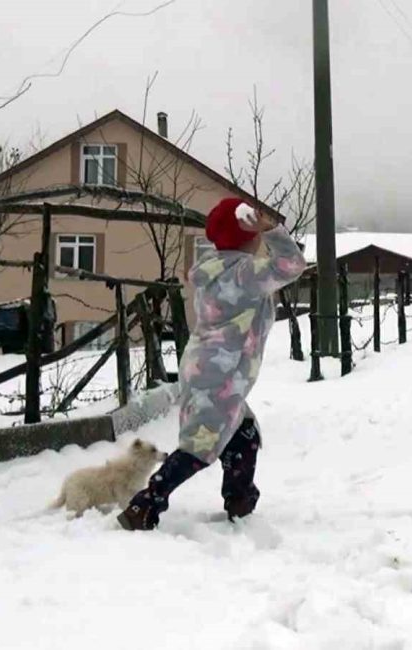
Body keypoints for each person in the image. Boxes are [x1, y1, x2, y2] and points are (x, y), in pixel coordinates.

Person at [118, 197, 306, 531]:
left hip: (209, 367)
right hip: (221, 373)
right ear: (245, 233)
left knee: (243, 433)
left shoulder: (214, 267)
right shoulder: (243, 273)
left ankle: (240, 499)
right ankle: (145, 505)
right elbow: (291, 264)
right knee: (198, 446)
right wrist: (273, 230)